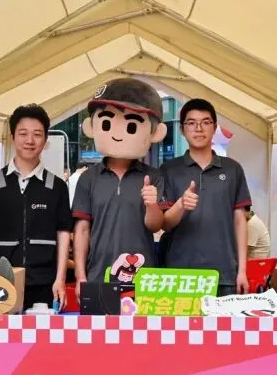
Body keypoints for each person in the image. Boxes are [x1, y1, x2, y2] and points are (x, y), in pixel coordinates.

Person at [0, 104, 73, 309]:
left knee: (41, 331)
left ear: (45, 140)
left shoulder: (57, 186)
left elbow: (63, 232)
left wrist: (60, 279)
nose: (30, 140)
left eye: (37, 134)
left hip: (43, 282)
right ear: (13, 137)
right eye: (23, 134)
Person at [72, 78, 168, 289]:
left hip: (142, 276)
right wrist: (80, 275)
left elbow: (155, 226)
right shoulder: (88, 178)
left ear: (155, 133)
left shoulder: (153, 176)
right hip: (98, 275)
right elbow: (82, 230)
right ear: (91, 127)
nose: (117, 133)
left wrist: (152, 204)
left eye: (132, 126)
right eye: (106, 123)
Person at [160, 99, 251, 295]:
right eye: (191, 123)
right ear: (182, 130)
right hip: (180, 274)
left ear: (215, 127)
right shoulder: (168, 170)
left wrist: (242, 270)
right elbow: (165, 224)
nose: (198, 128)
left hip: (224, 274)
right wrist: (181, 204)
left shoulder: (233, 169)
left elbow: (240, 221)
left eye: (205, 122)